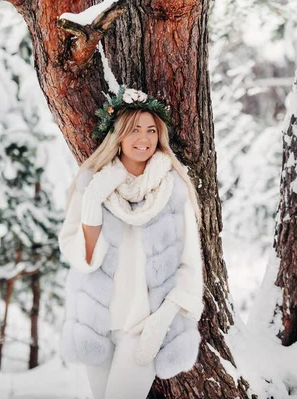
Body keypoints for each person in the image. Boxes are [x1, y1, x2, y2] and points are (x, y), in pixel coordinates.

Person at [57, 85, 205, 398]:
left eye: (151, 130)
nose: (144, 138)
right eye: (135, 129)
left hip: (143, 327)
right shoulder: (92, 185)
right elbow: (83, 257)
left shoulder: (173, 191)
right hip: (95, 323)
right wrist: (94, 199)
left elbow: (190, 265)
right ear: (119, 136)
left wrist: (162, 321)